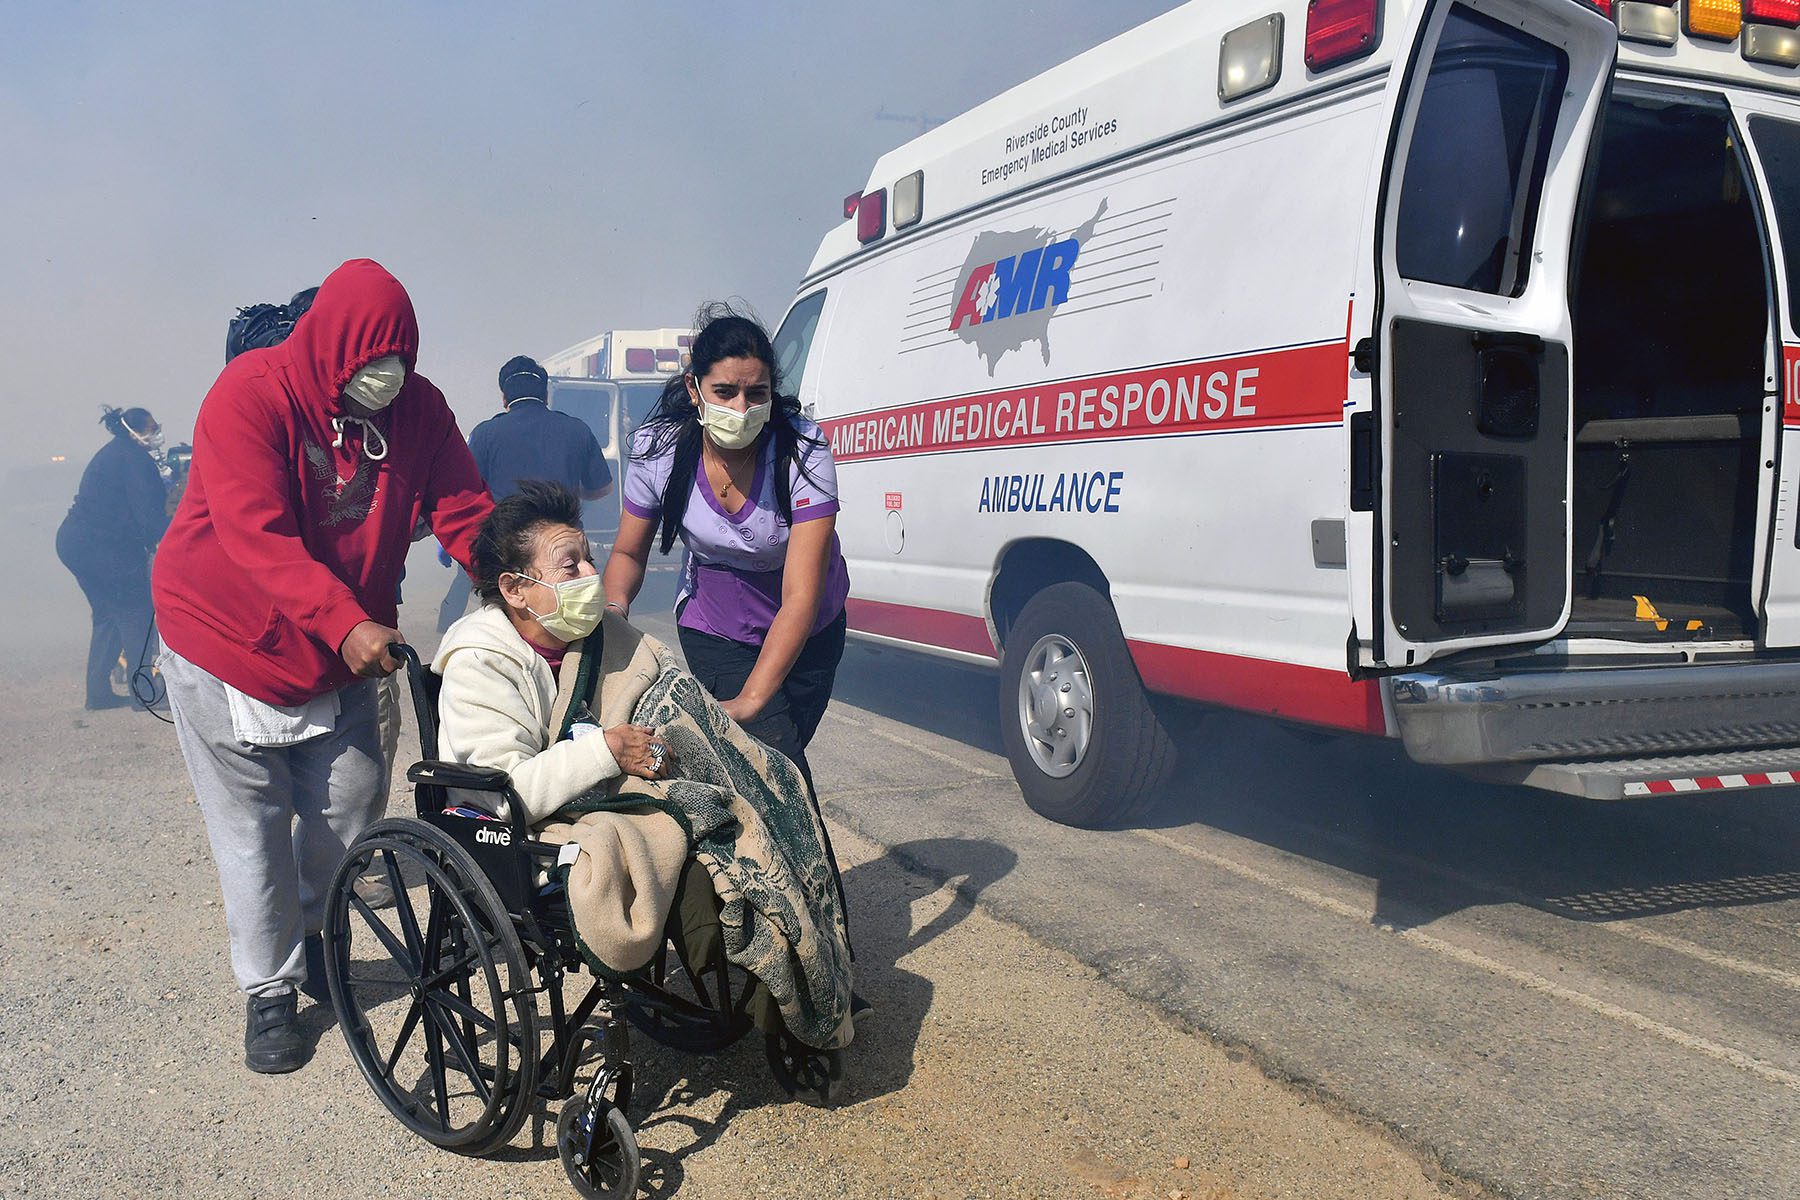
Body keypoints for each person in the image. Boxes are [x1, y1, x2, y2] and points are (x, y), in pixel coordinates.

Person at [151, 258, 494, 1075]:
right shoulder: (250, 394)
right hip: (224, 640)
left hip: (335, 642)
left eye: (398, 362)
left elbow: (464, 510)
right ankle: (268, 989)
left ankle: (312, 926)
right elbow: (255, 534)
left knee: (347, 803)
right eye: (367, 364)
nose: (385, 379)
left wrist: (519, 581)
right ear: (326, 347)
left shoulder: (419, 409)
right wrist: (346, 623)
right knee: (253, 828)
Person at [601, 306, 849, 792]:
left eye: (757, 394)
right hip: (718, 627)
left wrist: (755, 697)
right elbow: (630, 554)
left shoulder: (803, 449)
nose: (741, 409)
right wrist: (612, 617)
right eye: (725, 392)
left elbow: (801, 596)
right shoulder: (660, 450)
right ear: (695, 389)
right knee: (782, 778)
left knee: (768, 758)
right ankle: (801, 869)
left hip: (810, 628)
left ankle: (738, 862)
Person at [435, 480, 669, 818]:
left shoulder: (608, 636)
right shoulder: (480, 663)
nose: (591, 573)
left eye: (588, 560)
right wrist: (609, 749)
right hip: (531, 837)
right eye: (571, 565)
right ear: (515, 589)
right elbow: (508, 794)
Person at [438, 356, 614, 631]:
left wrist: (450, 540)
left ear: (504, 396)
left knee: (500, 611)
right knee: (571, 613)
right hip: (561, 546)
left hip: (504, 543)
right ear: (545, 394)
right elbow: (602, 488)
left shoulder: (485, 434)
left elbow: (466, 489)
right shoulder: (576, 429)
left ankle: (447, 637)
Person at [56, 406, 170, 709]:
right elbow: (149, 520)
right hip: (101, 548)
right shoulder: (134, 461)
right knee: (136, 612)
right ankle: (143, 695)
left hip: (75, 543)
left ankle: (98, 694)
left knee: (108, 614)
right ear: (134, 431)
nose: (156, 432)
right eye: (152, 427)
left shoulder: (117, 453)